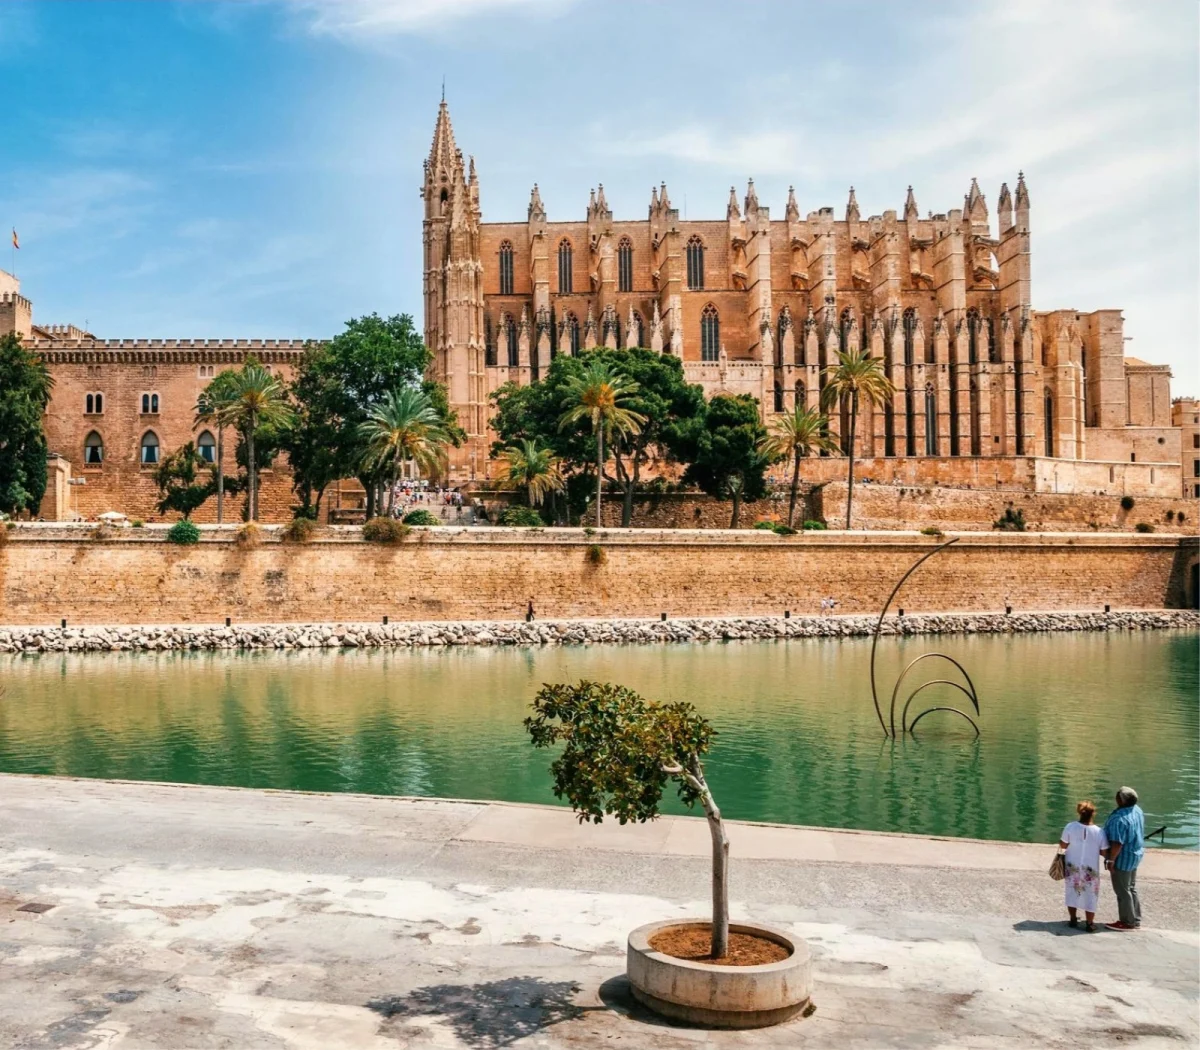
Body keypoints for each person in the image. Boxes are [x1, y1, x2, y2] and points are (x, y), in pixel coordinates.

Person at [1058, 800, 1107, 932]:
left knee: (1071, 890)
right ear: (1093, 813)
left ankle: (1073, 919)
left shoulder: (1070, 827)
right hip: (1091, 868)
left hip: (1072, 865)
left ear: (1079, 812)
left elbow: (1063, 845)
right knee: (1091, 893)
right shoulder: (1099, 832)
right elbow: (1103, 851)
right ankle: (1090, 923)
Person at [1102, 786, 1145, 931]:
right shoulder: (1137, 811)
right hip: (1135, 854)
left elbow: (1117, 843)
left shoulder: (1119, 819)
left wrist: (1110, 860)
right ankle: (1135, 918)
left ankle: (1127, 922)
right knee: (1131, 888)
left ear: (1120, 800)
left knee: (1122, 890)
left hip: (1122, 858)